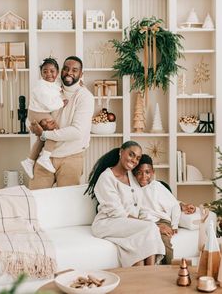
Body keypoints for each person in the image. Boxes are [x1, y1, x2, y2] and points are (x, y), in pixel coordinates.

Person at [84, 141, 165, 267]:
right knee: (149, 228)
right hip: (108, 222)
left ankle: (146, 276)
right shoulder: (106, 178)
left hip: (127, 223)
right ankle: (152, 272)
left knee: (137, 241)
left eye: (137, 158)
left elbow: (141, 203)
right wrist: (145, 223)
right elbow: (117, 212)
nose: (134, 160)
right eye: (131, 155)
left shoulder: (132, 177)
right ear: (121, 152)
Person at [29, 56, 94, 189]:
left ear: (81, 74)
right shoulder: (51, 88)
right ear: (60, 71)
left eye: (75, 70)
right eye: (66, 68)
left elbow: (77, 132)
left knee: (67, 203)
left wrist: (44, 135)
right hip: (45, 156)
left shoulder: (85, 97)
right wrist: (34, 126)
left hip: (71, 157)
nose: (69, 72)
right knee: (36, 199)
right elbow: (35, 111)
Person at [133, 154, 196, 264]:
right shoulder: (134, 189)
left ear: (153, 172)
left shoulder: (156, 187)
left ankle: (168, 267)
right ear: (134, 173)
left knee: (165, 241)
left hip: (161, 221)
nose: (143, 176)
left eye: (147, 172)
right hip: (145, 223)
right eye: (139, 172)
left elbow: (174, 205)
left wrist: (175, 224)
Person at [21, 57, 65, 179]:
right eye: (45, 71)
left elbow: (59, 85)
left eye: (52, 71)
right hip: (36, 113)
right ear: (41, 73)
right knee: (55, 131)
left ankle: (29, 161)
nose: (49, 74)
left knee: (42, 137)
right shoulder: (40, 87)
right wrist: (62, 103)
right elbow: (49, 104)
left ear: (57, 72)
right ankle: (45, 158)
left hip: (38, 112)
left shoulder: (53, 83)